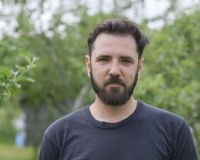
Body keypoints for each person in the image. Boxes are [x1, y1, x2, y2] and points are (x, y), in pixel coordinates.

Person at [39, 19, 198, 160]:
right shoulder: (58, 136)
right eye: (104, 59)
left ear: (139, 67)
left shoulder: (173, 131)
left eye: (125, 60)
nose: (114, 70)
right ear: (89, 65)